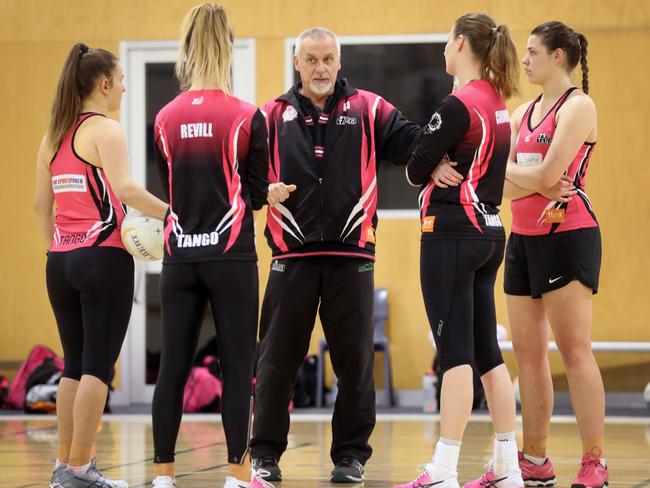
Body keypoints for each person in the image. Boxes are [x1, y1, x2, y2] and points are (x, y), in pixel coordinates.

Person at [250, 26, 421, 485]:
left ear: (339, 62)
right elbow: (242, 178)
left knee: (355, 364)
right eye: (312, 59)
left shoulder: (370, 108)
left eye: (328, 59)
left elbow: (412, 143)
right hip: (291, 256)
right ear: (297, 63)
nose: (321, 68)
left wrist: (444, 152)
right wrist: (262, 190)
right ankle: (264, 455)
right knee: (275, 363)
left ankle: (350, 457)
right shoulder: (269, 116)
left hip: (353, 256)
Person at [149, 4, 291, 488]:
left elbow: (167, 188)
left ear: (185, 46)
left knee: (172, 367)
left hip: (178, 257)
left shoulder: (163, 118)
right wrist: (264, 190)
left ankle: (164, 476)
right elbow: (253, 196)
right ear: (227, 46)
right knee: (236, 367)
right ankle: (235, 475)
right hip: (230, 256)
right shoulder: (247, 115)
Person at [394, 13, 524, 488]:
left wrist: (429, 169)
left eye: (448, 41)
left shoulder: (456, 105)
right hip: (490, 232)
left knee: (453, 356)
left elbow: (412, 169)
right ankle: (507, 467)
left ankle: (443, 470)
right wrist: (436, 165)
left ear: (462, 43)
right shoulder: (498, 102)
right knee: (487, 353)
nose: (443, 49)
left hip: (451, 232)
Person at [34, 43, 168, 488]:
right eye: (123, 79)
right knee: (97, 366)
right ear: (104, 84)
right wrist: (174, 214)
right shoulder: (105, 130)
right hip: (102, 257)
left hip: (60, 262)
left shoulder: (52, 136)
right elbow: (127, 190)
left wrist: (59, 248)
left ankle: (63, 467)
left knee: (74, 365)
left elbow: (41, 206)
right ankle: (79, 470)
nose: (126, 88)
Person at [503, 21, 607, 488]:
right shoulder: (522, 111)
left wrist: (530, 174)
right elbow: (503, 183)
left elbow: (547, 173)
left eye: (532, 53)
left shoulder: (579, 107)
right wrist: (537, 176)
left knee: (575, 350)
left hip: (568, 235)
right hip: (522, 238)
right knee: (528, 356)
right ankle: (536, 459)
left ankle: (594, 462)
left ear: (558, 56)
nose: (524, 60)